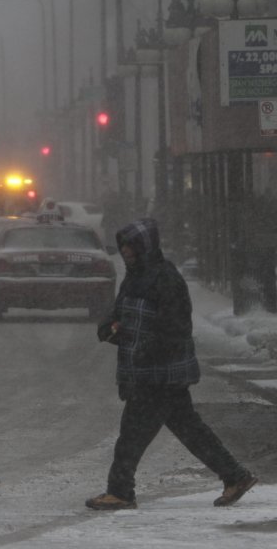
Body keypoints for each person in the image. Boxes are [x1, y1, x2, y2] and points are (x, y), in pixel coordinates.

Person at [87, 218, 258, 510]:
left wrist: (146, 347)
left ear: (146, 247)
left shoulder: (165, 278)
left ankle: (120, 491)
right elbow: (120, 312)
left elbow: (175, 327)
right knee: (190, 430)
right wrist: (109, 327)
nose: (126, 251)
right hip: (149, 372)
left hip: (159, 374)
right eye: (124, 246)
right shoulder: (135, 277)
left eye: (132, 246)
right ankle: (235, 476)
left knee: (131, 436)